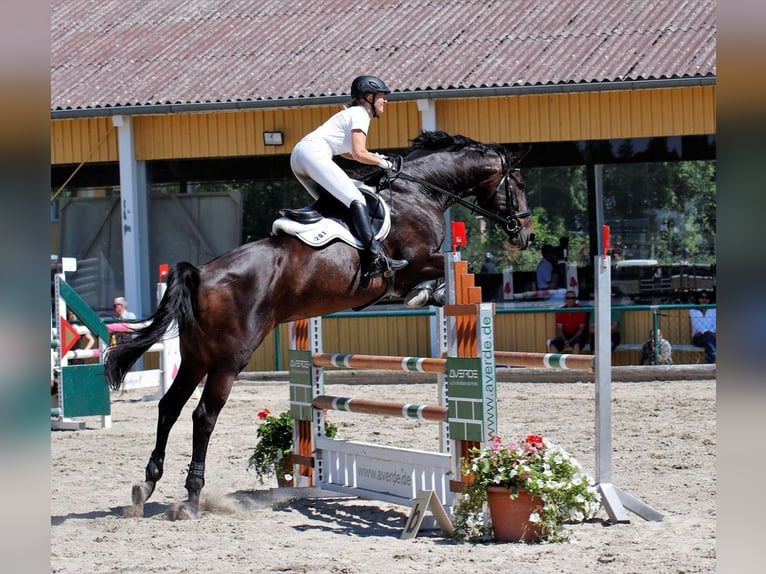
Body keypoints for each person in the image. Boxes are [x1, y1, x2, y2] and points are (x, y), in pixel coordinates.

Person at [289, 75, 408, 280]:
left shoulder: (352, 114)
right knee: (357, 199)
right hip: (313, 154)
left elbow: (349, 153)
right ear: (368, 97)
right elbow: (359, 153)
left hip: (299, 157)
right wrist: (384, 163)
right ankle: (376, 257)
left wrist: (377, 157)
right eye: (382, 96)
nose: (385, 101)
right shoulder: (361, 113)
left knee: (335, 204)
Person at [689, 290, 716, 363]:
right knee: (708, 338)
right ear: (698, 298)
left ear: (709, 299)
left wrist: (708, 333)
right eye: (702, 297)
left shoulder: (714, 309)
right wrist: (709, 332)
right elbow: (697, 326)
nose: (704, 300)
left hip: (711, 338)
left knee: (708, 340)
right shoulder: (693, 310)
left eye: (707, 298)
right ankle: (713, 355)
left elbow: (715, 326)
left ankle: (708, 362)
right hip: (698, 338)